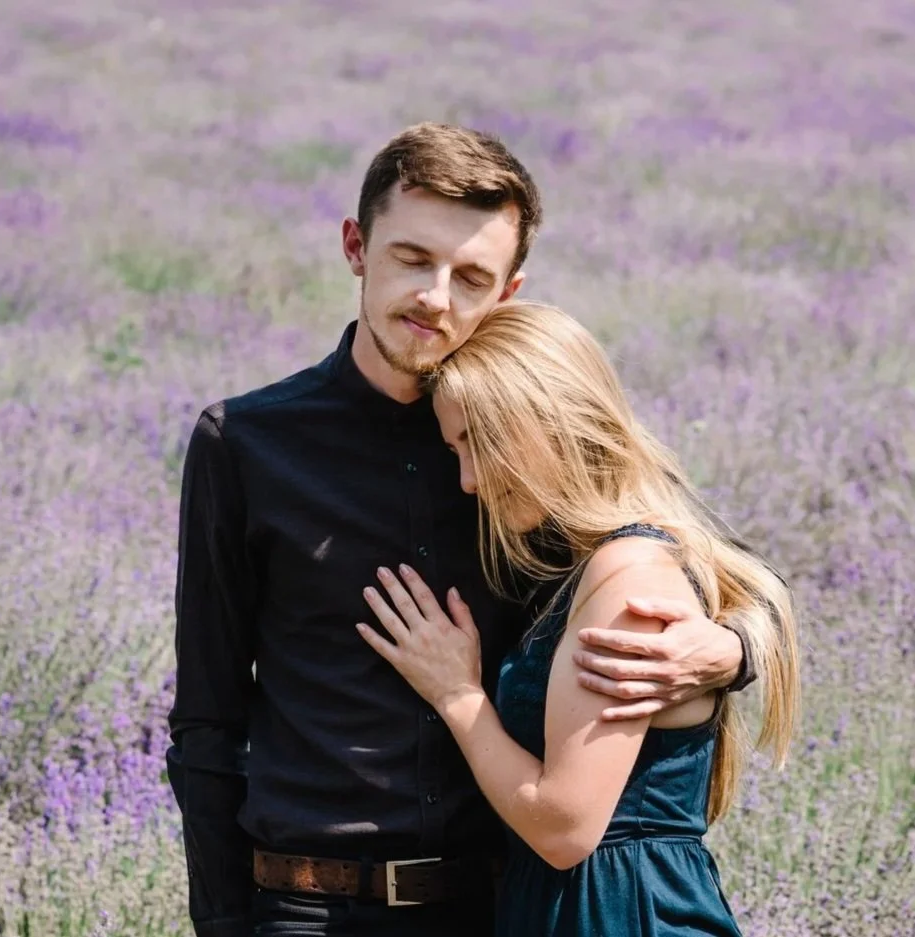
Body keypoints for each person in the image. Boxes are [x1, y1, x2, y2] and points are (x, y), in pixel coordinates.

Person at [166, 123, 757, 937]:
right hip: (308, 908)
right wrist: (224, 923)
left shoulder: (527, 446)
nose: (435, 298)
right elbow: (207, 714)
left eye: (470, 275)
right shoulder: (245, 444)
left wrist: (730, 650)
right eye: (412, 257)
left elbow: (692, 556)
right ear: (355, 247)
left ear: (507, 292)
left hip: (504, 903)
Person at [355, 300, 801, 936]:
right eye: (454, 450)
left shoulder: (628, 579)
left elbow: (564, 828)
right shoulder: (577, 561)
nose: (469, 480)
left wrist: (456, 694)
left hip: (621, 913)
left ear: (549, 421)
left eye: (478, 445)